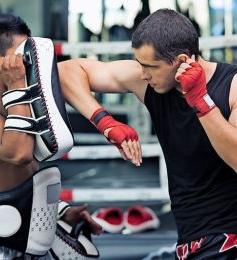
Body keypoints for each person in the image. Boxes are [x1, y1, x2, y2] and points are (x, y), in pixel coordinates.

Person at [58, 8, 237, 259]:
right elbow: (66, 72)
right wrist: (105, 122)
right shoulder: (150, 81)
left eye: (150, 66)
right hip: (190, 242)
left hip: (229, 241)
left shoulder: (232, 87)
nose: (143, 74)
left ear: (182, 60)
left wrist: (201, 101)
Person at [0, 13, 107, 259]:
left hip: (28, 244)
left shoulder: (19, 108)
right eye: (21, 58)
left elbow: (22, 179)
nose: (28, 67)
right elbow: (19, 153)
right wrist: (16, 86)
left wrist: (57, 213)